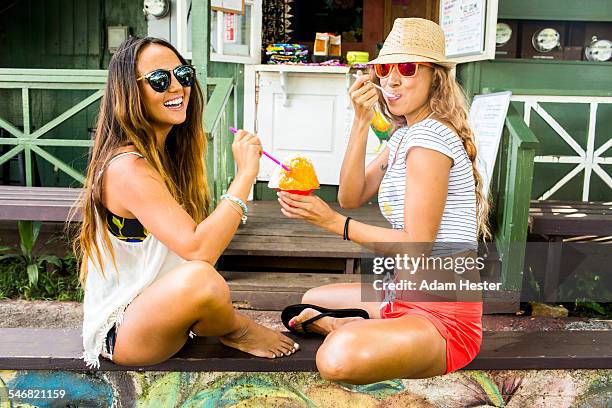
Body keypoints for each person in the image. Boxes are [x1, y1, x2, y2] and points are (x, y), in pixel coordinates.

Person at [278, 18, 489, 384]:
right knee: (311, 296)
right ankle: (357, 324)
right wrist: (361, 121)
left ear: (435, 78)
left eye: (407, 68)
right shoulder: (404, 135)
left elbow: (417, 246)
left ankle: (344, 329)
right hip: (401, 295)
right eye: (384, 68)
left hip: (442, 319)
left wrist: (332, 223)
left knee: (338, 358)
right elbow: (351, 195)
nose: (391, 80)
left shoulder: (430, 141)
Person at [76, 37, 298, 369]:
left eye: (183, 73)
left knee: (209, 284)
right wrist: (246, 175)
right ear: (129, 92)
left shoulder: (166, 156)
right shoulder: (127, 167)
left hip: (165, 316)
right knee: (203, 279)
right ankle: (238, 329)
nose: (177, 86)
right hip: (123, 333)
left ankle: (223, 323)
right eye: (159, 80)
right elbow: (199, 250)